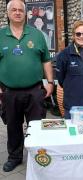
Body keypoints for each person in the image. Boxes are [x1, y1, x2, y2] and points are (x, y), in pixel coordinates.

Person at [0, 0, 54, 172]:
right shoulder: (1, 36)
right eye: (13, 10)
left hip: (35, 90)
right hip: (9, 91)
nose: (17, 13)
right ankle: (15, 157)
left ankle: (37, 156)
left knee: (36, 126)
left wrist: (51, 82)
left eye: (20, 10)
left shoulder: (37, 35)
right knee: (13, 126)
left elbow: (46, 60)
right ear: (8, 13)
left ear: (25, 13)